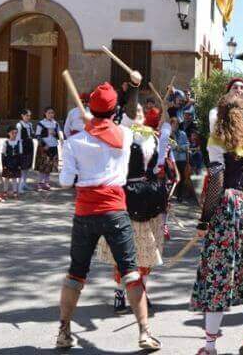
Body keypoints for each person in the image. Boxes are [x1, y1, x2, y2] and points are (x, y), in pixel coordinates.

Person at [56, 78, 161, 351]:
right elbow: (126, 119)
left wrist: (78, 152)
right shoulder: (125, 136)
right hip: (115, 211)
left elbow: (66, 182)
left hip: (85, 212)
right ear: (113, 111)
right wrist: (133, 88)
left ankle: (63, 332)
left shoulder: (74, 142)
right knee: (131, 272)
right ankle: (144, 333)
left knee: (75, 274)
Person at [191, 88, 243, 355]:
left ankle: (210, 346)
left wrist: (204, 222)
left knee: (218, 274)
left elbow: (217, 182)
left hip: (229, 206)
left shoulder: (216, 139)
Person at [97, 98, 170, 320]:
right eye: (135, 110)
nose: (140, 112)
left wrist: (164, 135)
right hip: (128, 196)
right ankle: (120, 293)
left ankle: (142, 293)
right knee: (126, 251)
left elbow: (158, 165)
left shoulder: (151, 137)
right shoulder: (123, 134)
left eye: (142, 110)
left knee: (147, 251)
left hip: (149, 197)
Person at [35, 107, 64, 191]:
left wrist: (57, 134)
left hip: (53, 146)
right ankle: (40, 183)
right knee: (42, 165)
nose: (51, 114)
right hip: (44, 147)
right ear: (45, 113)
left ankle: (46, 182)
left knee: (50, 165)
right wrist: (44, 145)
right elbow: (37, 135)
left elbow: (60, 135)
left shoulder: (56, 124)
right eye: (49, 113)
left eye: (52, 113)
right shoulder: (41, 123)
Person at [170, 117, 193, 202]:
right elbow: (168, 146)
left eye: (176, 124)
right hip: (173, 159)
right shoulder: (169, 134)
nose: (175, 126)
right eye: (173, 124)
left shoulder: (182, 133)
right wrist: (175, 147)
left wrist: (180, 148)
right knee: (173, 177)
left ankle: (179, 195)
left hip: (182, 159)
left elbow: (187, 145)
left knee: (182, 178)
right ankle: (171, 194)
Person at [16, 109, 36, 193]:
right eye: (26, 115)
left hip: (30, 146)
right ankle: (19, 186)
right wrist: (19, 150)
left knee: (27, 167)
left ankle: (24, 184)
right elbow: (18, 138)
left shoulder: (30, 125)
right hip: (23, 147)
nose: (28, 117)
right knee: (22, 167)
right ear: (22, 116)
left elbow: (32, 134)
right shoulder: (19, 125)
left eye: (29, 116)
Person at [2, 125, 24, 198]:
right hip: (8, 162)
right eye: (12, 133)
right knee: (7, 178)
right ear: (9, 133)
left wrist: (20, 164)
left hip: (16, 162)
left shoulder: (19, 142)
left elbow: (20, 154)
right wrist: (3, 165)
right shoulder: (6, 142)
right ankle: (5, 192)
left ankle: (15, 192)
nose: (14, 135)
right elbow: (3, 154)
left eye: (15, 133)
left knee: (15, 178)